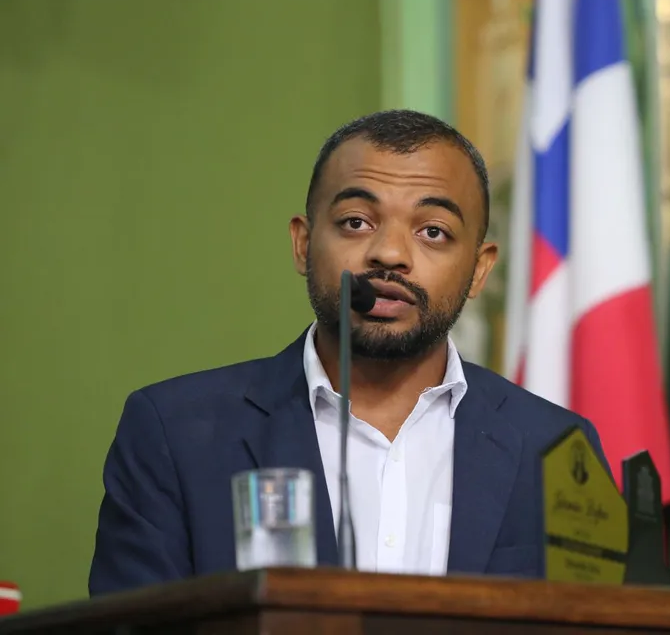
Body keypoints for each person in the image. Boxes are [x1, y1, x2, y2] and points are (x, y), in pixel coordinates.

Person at [88, 109, 609, 595]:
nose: (389, 254)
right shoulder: (174, 434)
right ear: (302, 244)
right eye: (357, 222)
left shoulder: (556, 449)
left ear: (478, 270)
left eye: (433, 231)